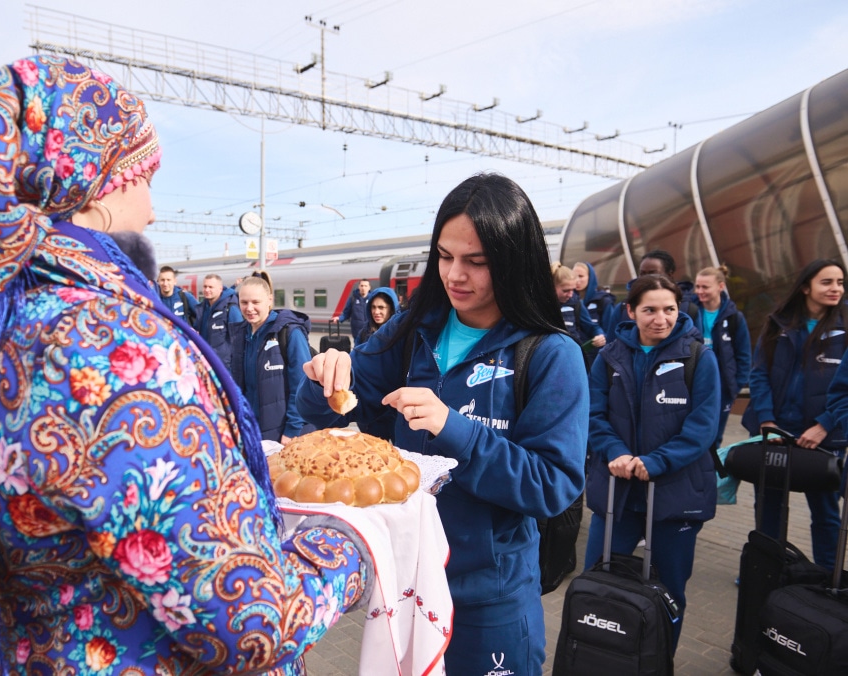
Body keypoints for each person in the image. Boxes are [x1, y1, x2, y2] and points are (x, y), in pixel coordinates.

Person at [0, 55, 369, 676]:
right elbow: (253, 621)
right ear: (96, 188)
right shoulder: (99, 340)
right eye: (144, 178)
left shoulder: (11, 318)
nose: (154, 210)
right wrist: (351, 550)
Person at [298, 173, 589, 675]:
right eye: (445, 256)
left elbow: (553, 485)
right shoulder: (413, 329)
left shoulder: (549, 355)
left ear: (514, 262)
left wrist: (453, 427)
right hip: (405, 587)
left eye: (476, 262)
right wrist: (323, 375)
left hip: (488, 601)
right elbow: (331, 405)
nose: (455, 274)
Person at [585, 274, 721, 651]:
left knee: (669, 593)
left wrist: (657, 461)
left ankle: (659, 662)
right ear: (630, 311)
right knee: (597, 583)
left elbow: (703, 426)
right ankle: (599, 659)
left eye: (669, 309)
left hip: (675, 495)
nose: (661, 319)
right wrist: (615, 452)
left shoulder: (698, 357)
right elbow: (593, 415)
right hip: (617, 492)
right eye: (649, 310)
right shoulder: (609, 357)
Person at [742, 259, 848, 570]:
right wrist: (766, 420)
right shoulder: (779, 323)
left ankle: (828, 580)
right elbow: (759, 374)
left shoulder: (845, 327)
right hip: (775, 432)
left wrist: (824, 426)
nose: (836, 289)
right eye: (827, 282)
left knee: (826, 513)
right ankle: (764, 572)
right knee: (768, 508)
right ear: (805, 287)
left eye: (840, 283)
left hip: (824, 436)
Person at [230, 272, 312, 443]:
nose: (249, 308)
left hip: (282, 434)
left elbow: (302, 385)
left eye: (255, 302)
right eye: (244, 302)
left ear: (269, 300)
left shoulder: (289, 333)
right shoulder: (240, 335)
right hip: (251, 430)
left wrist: (292, 430)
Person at [692, 265, 751, 447]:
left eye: (705, 287)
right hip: (695, 382)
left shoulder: (734, 317)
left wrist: (735, 385)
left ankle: (712, 472)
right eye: (697, 286)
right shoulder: (691, 311)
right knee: (694, 432)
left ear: (720, 286)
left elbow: (744, 354)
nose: (700, 291)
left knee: (715, 435)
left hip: (722, 387)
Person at [603, 249, 700, 340]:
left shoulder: (689, 309)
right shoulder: (623, 308)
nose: (646, 278)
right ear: (631, 312)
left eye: (652, 273)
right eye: (642, 273)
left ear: (669, 275)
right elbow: (611, 346)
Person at [551, 262, 605, 361]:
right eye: (566, 290)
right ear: (552, 287)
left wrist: (600, 335)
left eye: (573, 290)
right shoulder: (540, 307)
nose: (570, 295)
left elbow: (592, 327)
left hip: (573, 357)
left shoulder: (575, 303)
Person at [198, 273, 242, 368]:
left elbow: (240, 339)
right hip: (206, 364)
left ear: (220, 288)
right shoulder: (202, 308)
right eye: (205, 286)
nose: (207, 290)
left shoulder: (231, 308)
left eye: (211, 287)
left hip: (224, 367)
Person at [572, 261, 616, 330]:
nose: (577, 280)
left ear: (590, 277)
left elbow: (610, 330)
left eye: (581, 276)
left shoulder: (604, 301)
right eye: (574, 276)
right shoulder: (568, 300)